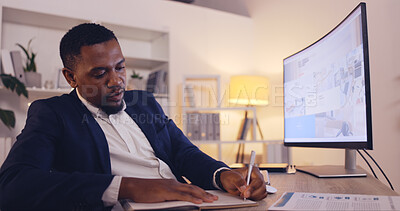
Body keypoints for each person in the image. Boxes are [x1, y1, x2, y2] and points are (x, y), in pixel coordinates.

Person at [0, 23, 267, 210]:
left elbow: (184, 153)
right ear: (71, 77)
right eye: (100, 73)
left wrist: (223, 175)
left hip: (192, 203)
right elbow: (13, 184)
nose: (117, 82)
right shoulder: (53, 113)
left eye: (120, 67)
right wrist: (126, 187)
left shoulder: (145, 103)